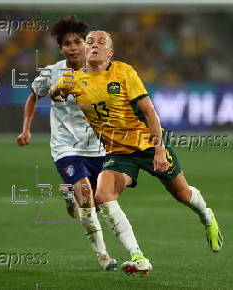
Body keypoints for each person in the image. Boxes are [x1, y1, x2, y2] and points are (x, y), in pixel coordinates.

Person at [50, 30, 223, 275]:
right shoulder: (72, 80)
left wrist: (159, 151)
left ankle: (207, 216)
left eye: (101, 42)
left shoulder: (124, 72)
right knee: (103, 195)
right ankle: (138, 256)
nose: (94, 45)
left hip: (148, 144)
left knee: (182, 194)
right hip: (118, 153)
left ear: (110, 53)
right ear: (85, 51)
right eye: (89, 42)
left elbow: (150, 112)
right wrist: (57, 93)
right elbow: (53, 92)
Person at [16, 17, 117, 271]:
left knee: (96, 200)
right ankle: (104, 257)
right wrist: (26, 129)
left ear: (86, 44)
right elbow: (32, 97)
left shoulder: (102, 71)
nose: (73, 47)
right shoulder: (52, 73)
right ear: (60, 48)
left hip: (97, 146)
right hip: (65, 148)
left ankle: (70, 196)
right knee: (87, 200)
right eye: (67, 44)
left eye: (77, 42)